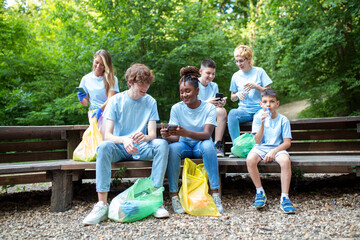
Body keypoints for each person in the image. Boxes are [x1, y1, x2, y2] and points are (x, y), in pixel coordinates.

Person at [83, 63, 170, 225]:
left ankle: (155, 200)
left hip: (141, 146)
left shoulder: (150, 101)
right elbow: (107, 135)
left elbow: (152, 134)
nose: (145, 88)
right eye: (141, 84)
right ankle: (101, 205)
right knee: (103, 147)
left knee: (162, 144)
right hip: (120, 147)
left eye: (148, 84)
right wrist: (124, 139)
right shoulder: (116, 101)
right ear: (130, 83)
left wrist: (144, 137)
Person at [160, 66, 223, 214]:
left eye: (187, 91)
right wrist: (167, 136)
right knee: (173, 148)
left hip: (201, 144)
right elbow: (176, 137)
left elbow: (207, 134)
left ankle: (215, 194)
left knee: (209, 146)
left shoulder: (209, 108)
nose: (184, 95)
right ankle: (174, 196)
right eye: (181, 92)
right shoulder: (176, 108)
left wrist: (185, 132)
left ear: (197, 91)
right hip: (184, 145)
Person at [246, 88, 295, 214]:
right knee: (250, 159)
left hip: (277, 148)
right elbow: (257, 141)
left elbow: (287, 143)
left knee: (285, 161)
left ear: (277, 104)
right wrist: (262, 124)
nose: (268, 105)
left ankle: (285, 197)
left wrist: (273, 151)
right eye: (265, 102)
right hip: (261, 147)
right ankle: (260, 192)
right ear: (261, 104)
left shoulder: (283, 120)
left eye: (272, 102)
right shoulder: (258, 117)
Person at [227, 45, 272, 157]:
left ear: (249, 59)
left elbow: (270, 92)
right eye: (236, 61)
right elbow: (232, 97)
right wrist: (237, 94)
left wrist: (256, 87)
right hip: (244, 111)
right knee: (232, 113)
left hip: (259, 109)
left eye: (241, 61)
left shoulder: (259, 72)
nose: (239, 64)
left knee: (262, 116)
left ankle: (255, 150)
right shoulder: (235, 76)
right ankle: (238, 147)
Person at [77, 49, 119, 138]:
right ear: (94, 59)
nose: (98, 66)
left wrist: (100, 110)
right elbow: (85, 103)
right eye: (96, 62)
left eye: (102, 64)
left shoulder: (112, 79)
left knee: (105, 134)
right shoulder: (86, 79)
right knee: (97, 136)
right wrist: (81, 98)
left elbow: (111, 99)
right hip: (93, 112)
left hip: (109, 111)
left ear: (106, 65)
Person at [198, 59, 227, 157]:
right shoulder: (193, 84)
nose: (211, 76)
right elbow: (189, 104)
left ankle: (217, 144)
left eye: (213, 74)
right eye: (208, 73)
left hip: (209, 113)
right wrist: (207, 102)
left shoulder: (214, 86)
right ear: (201, 71)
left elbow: (214, 106)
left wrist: (220, 103)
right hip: (196, 113)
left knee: (222, 111)